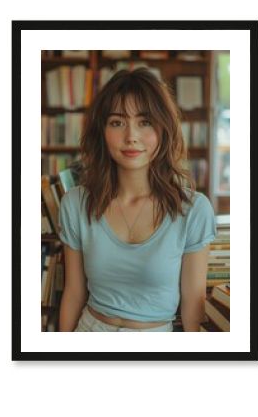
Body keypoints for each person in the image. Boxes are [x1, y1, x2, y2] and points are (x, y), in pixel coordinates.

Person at [58, 67, 216, 332]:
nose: (131, 136)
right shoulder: (75, 203)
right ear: (102, 131)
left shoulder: (193, 210)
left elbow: (193, 306)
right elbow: (74, 294)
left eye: (145, 122)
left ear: (163, 128)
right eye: (117, 122)